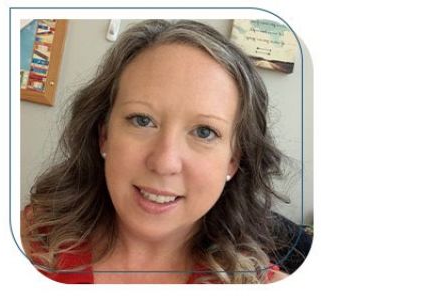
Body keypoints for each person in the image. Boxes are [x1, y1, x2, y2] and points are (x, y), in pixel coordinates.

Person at [21, 19, 303, 284]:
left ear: (233, 160)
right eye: (142, 120)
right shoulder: (28, 241)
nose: (164, 162)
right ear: (104, 135)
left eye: (204, 132)